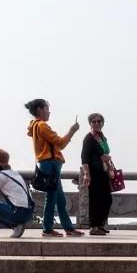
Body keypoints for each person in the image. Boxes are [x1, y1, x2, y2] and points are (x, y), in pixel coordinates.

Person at [25, 98, 83, 237]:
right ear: (40, 109)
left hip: (47, 163)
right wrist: (72, 130)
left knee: (59, 198)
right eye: (47, 108)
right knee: (51, 197)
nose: (49, 112)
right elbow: (61, 143)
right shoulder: (42, 126)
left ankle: (68, 228)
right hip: (50, 163)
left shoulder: (34, 126)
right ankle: (47, 229)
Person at [80, 112, 113, 236]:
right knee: (95, 199)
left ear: (102, 123)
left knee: (106, 199)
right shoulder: (89, 138)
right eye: (94, 121)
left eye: (99, 121)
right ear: (90, 124)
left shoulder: (102, 138)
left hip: (103, 171)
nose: (96, 123)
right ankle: (94, 226)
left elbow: (103, 153)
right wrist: (86, 174)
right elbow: (84, 158)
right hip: (94, 172)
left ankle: (100, 224)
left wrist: (106, 158)